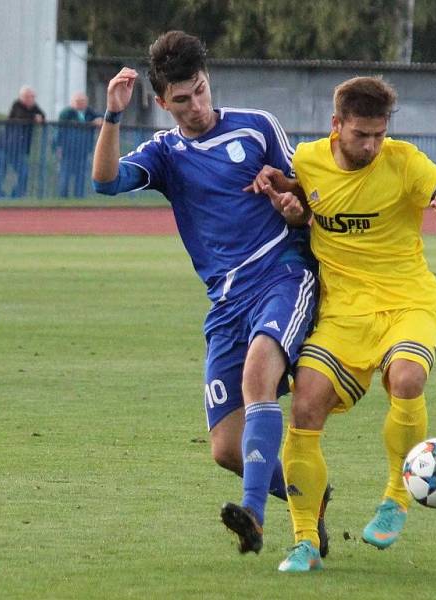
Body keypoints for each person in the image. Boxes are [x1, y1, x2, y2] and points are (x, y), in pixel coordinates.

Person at [91, 31, 330, 557]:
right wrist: (112, 116)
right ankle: (308, 495)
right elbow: (106, 182)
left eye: (200, 90)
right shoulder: (166, 154)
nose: (196, 106)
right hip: (226, 303)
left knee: (257, 378)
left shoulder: (258, 125)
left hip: (282, 275)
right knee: (225, 448)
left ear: (208, 81)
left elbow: (307, 195)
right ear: (161, 103)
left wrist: (291, 202)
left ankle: (255, 516)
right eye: (182, 99)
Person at [248, 76, 436, 572]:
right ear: (336, 126)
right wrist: (287, 202)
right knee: (305, 409)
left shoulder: (405, 162)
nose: (373, 145)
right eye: (362, 134)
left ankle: (397, 496)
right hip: (343, 314)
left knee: (406, 377)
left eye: (380, 134)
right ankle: (304, 542)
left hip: (408, 301)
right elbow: (299, 205)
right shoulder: (309, 161)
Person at [0, 85, 45, 198]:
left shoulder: (33, 107)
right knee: (0, 174)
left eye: (33, 97)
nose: (32, 99)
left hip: (19, 150)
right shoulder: (17, 105)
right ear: (23, 97)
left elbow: (42, 116)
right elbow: (22, 116)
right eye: (29, 97)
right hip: (4, 147)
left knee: (24, 173)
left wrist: (39, 118)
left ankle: (16, 194)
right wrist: (34, 118)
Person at [55, 91, 102, 197]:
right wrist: (58, 147)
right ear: (72, 102)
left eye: (83, 101)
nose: (80, 103)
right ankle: (62, 199)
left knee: (80, 177)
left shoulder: (90, 112)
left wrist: (99, 119)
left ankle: (78, 197)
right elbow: (59, 131)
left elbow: (101, 116)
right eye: (77, 101)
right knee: (65, 176)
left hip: (83, 151)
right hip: (68, 151)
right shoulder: (67, 113)